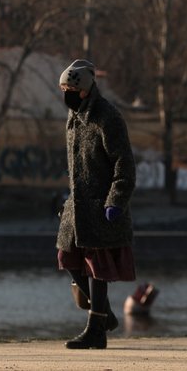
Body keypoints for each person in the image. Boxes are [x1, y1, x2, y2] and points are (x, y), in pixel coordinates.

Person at [55, 59, 136, 350]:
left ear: (84, 89)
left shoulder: (108, 117)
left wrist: (115, 201)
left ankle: (96, 330)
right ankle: (105, 316)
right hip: (77, 207)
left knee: (96, 267)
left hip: (102, 207)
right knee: (68, 258)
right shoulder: (74, 116)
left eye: (69, 88)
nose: (65, 93)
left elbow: (124, 164)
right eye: (63, 88)